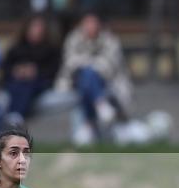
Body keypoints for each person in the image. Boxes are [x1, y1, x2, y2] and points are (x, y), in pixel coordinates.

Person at [55, 10, 132, 144]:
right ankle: (100, 104)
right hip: (75, 80)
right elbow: (70, 63)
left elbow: (110, 64)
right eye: (87, 23)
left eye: (93, 23)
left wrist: (89, 67)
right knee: (86, 76)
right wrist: (89, 66)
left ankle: (88, 125)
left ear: (99, 24)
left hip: (107, 80)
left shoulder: (109, 39)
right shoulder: (73, 39)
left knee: (88, 78)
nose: (90, 26)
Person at [2, 14, 62, 126]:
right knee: (18, 85)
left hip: (39, 82)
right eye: (33, 27)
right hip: (16, 82)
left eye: (39, 28)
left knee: (27, 85)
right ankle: (14, 115)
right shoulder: (17, 47)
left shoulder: (51, 49)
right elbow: (6, 67)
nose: (36, 31)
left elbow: (53, 70)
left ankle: (15, 115)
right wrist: (17, 70)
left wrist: (35, 71)